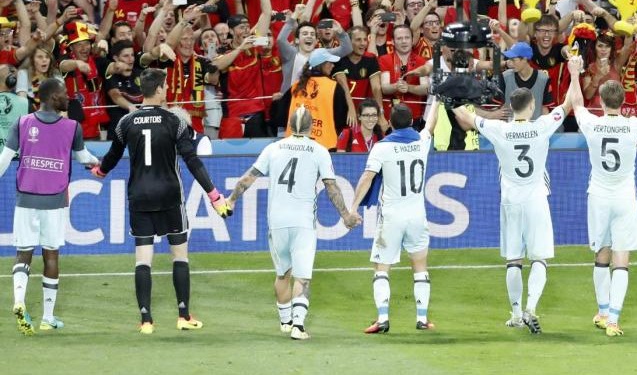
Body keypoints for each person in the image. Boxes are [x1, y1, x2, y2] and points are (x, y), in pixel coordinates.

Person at [92, 69, 232, 333]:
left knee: (143, 259)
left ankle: (145, 320)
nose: (167, 89)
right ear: (157, 89)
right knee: (179, 255)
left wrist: (100, 171)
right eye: (165, 85)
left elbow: (112, 155)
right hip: (169, 195)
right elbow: (192, 160)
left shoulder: (126, 122)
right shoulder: (175, 121)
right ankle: (183, 315)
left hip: (140, 196)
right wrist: (214, 195)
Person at [226, 106, 360, 340]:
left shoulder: (273, 148)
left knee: (282, 274)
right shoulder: (319, 151)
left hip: (277, 220)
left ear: (289, 125)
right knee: (302, 276)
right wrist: (346, 216)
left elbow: (248, 178)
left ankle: (285, 321)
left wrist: (231, 200)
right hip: (303, 221)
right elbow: (331, 187)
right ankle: (298, 326)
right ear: (311, 126)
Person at [452, 84, 569, 334]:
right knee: (539, 258)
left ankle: (516, 315)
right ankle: (531, 308)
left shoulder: (499, 129)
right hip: (536, 198)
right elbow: (570, 103)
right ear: (532, 106)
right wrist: (573, 71)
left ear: (512, 108)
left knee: (513, 259)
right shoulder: (541, 126)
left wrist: (448, 97)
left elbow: (465, 116)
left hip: (510, 200)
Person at [0, 78, 98, 333]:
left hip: (26, 197)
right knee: (51, 254)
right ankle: (47, 317)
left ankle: (19, 302)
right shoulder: (72, 127)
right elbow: (82, 156)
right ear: (54, 97)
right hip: (54, 200)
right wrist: (98, 163)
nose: (68, 96)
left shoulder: (22, 124)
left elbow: (3, 161)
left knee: (23, 253)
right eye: (64, 93)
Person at [569, 62, 637, 337]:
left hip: (599, 196)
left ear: (601, 102)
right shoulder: (633, 126)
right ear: (624, 101)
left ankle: (603, 312)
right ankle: (613, 319)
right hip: (625, 197)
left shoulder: (592, 124)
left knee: (601, 254)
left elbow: (577, 104)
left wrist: (572, 72)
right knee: (621, 258)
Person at [351, 102, 441, 334]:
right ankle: (422, 319)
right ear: (411, 122)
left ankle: (382, 318)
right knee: (420, 266)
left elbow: (367, 178)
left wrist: (353, 207)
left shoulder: (381, 147)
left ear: (389, 123)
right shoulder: (421, 142)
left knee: (382, 267)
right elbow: (430, 125)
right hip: (417, 215)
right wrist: (437, 101)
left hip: (391, 216)